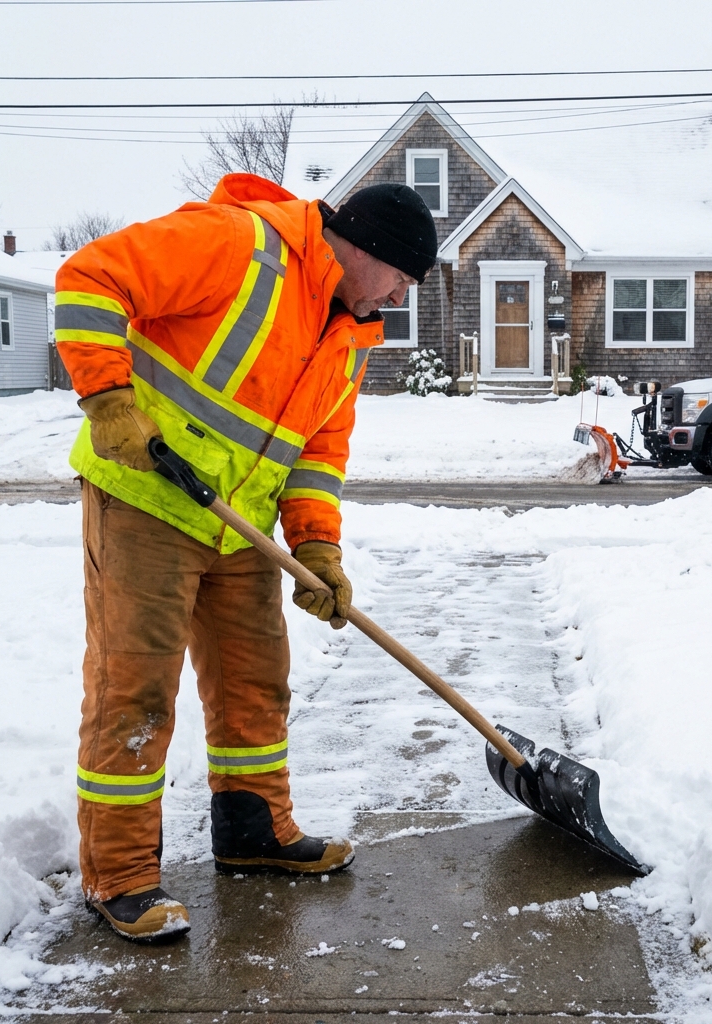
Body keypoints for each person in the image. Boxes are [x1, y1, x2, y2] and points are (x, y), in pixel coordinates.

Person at [54, 175, 438, 943]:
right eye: (399, 278)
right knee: (136, 690)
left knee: (256, 683)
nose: (398, 297)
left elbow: (318, 453)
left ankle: (252, 830)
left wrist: (318, 547)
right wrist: (107, 399)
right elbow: (90, 277)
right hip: (146, 496)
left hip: (239, 526)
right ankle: (122, 876)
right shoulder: (240, 245)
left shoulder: (349, 335)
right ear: (364, 249)